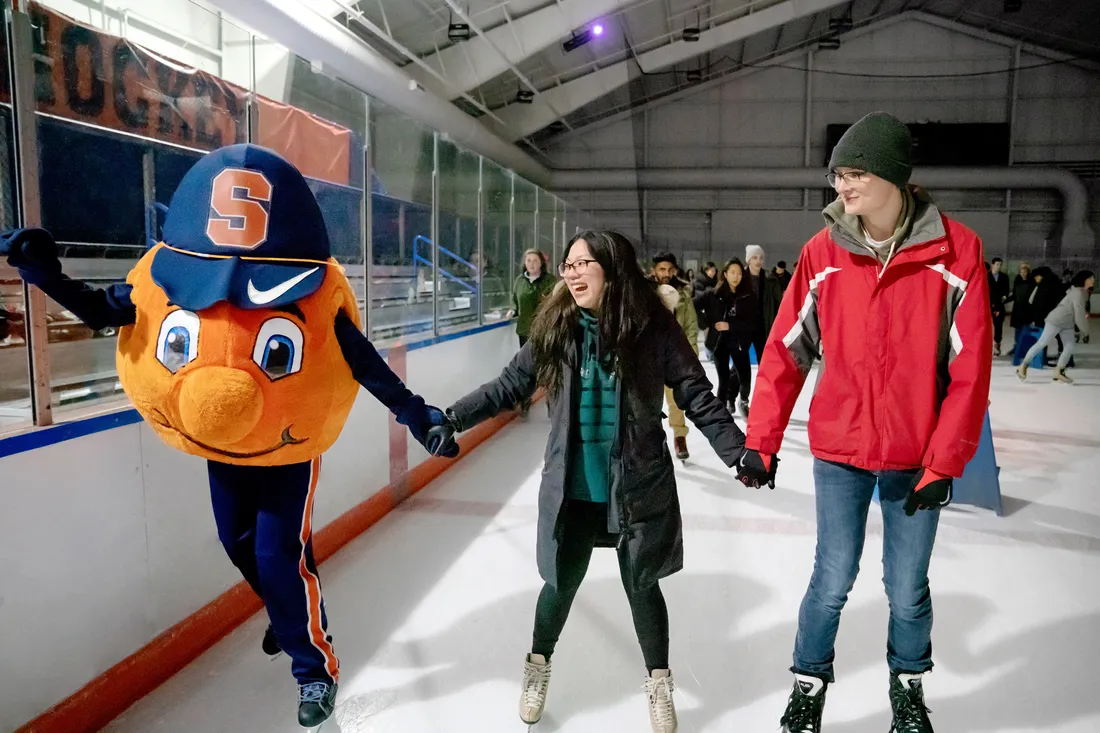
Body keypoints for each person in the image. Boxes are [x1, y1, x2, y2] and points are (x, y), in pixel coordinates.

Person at [0, 145, 458, 729]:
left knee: (278, 556)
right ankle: (286, 607)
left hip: (286, 452)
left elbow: (362, 359)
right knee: (240, 546)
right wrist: (44, 274)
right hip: (222, 451)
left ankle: (314, 669)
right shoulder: (167, 281)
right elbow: (104, 309)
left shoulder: (310, 294)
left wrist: (417, 414)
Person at [427, 230, 747, 732]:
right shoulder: (556, 326)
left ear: (612, 269)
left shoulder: (653, 329)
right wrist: (452, 416)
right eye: (568, 266)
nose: (570, 273)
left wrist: (737, 452)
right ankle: (537, 666)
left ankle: (659, 683)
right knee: (558, 586)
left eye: (582, 264)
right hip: (573, 489)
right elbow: (510, 385)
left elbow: (695, 393)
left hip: (636, 485)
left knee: (643, 588)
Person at [735, 111, 992, 733]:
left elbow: (972, 368)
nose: (841, 188)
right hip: (840, 449)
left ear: (894, 176)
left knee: (906, 586)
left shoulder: (957, 252)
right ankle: (807, 683)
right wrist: (762, 442)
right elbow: (786, 350)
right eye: (837, 176)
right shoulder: (823, 252)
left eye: (854, 174)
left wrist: (945, 461)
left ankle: (907, 688)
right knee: (833, 574)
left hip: (915, 454)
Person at [651, 251, 700, 460]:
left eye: (670, 269)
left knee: (676, 401)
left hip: (674, 357)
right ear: (654, 270)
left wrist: (691, 356)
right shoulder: (645, 293)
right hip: (650, 356)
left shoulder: (683, 295)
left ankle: (680, 437)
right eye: (662, 269)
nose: (666, 273)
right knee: (648, 401)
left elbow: (690, 326)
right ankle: (650, 441)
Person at [1016, 269, 1094, 384]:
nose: (1093, 280)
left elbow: (1080, 313)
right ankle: (1022, 366)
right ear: (1085, 280)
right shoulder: (1077, 292)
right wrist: (1085, 331)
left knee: (1069, 346)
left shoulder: (1083, 292)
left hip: (1067, 323)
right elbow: (1079, 314)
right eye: (1091, 278)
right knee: (1042, 342)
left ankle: (1059, 371)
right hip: (1056, 319)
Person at [703, 258, 756, 418]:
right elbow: (693, 306)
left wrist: (730, 326)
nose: (736, 276)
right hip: (720, 343)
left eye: (739, 273)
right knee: (723, 379)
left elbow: (751, 322)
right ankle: (720, 412)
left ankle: (743, 401)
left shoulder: (747, 296)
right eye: (732, 272)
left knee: (745, 378)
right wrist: (708, 323)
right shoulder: (715, 294)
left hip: (739, 342)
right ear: (725, 274)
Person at [508, 248, 556, 416]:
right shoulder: (520, 281)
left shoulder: (550, 281)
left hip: (544, 332)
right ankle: (525, 399)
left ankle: (553, 403)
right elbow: (515, 300)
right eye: (528, 261)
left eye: (535, 260)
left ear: (542, 263)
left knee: (547, 368)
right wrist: (512, 310)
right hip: (525, 332)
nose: (531, 264)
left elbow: (554, 303)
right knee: (526, 367)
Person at [743, 244, 783, 361]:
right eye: (755, 258)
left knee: (764, 361)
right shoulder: (739, 279)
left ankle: (763, 380)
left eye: (761, 258)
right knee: (739, 365)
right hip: (743, 326)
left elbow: (780, 305)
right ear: (748, 260)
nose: (758, 261)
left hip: (763, 326)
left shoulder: (771, 281)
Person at [988, 257, 1010, 356]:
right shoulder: (986, 276)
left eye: (1000, 265)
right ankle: (986, 346)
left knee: (998, 327)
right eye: (997, 264)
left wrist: (1001, 302)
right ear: (992, 265)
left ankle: (997, 346)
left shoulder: (1004, 277)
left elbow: (1006, 292)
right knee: (986, 327)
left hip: (999, 305)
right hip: (987, 305)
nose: (999, 266)